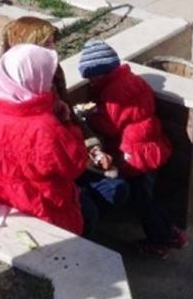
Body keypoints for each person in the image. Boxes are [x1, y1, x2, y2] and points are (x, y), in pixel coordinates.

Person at [0, 44, 99, 235]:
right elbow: (76, 164)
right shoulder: (46, 126)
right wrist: (68, 124)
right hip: (48, 211)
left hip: (6, 208)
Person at [78, 40, 186, 258]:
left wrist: (89, 117)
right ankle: (171, 233)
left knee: (142, 201)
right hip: (151, 145)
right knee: (150, 196)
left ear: (100, 74)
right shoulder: (132, 80)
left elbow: (110, 123)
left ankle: (160, 241)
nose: (90, 82)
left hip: (135, 156)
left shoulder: (112, 93)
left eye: (91, 77)